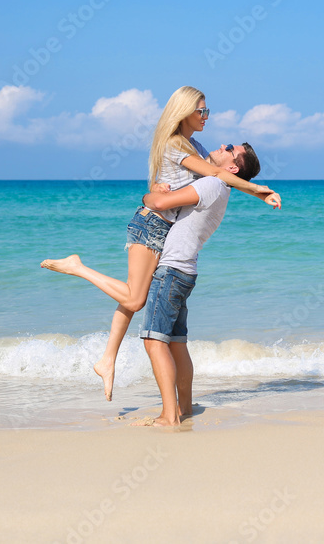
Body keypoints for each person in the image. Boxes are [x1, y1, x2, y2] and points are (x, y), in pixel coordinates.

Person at [40, 86, 280, 400]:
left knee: (131, 295)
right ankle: (78, 267)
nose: (206, 117)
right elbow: (212, 175)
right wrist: (259, 190)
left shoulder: (194, 144)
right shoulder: (176, 144)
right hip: (152, 224)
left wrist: (156, 188)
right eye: (201, 111)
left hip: (161, 228)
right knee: (135, 298)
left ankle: (108, 359)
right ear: (185, 112)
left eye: (207, 111)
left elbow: (202, 176)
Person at [131, 142, 258, 427]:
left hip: (173, 270)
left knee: (154, 340)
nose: (221, 145)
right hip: (185, 270)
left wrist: (148, 195)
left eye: (228, 147)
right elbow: (192, 152)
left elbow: (161, 203)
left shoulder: (213, 184)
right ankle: (184, 408)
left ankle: (168, 416)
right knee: (176, 343)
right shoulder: (219, 187)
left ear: (233, 167)